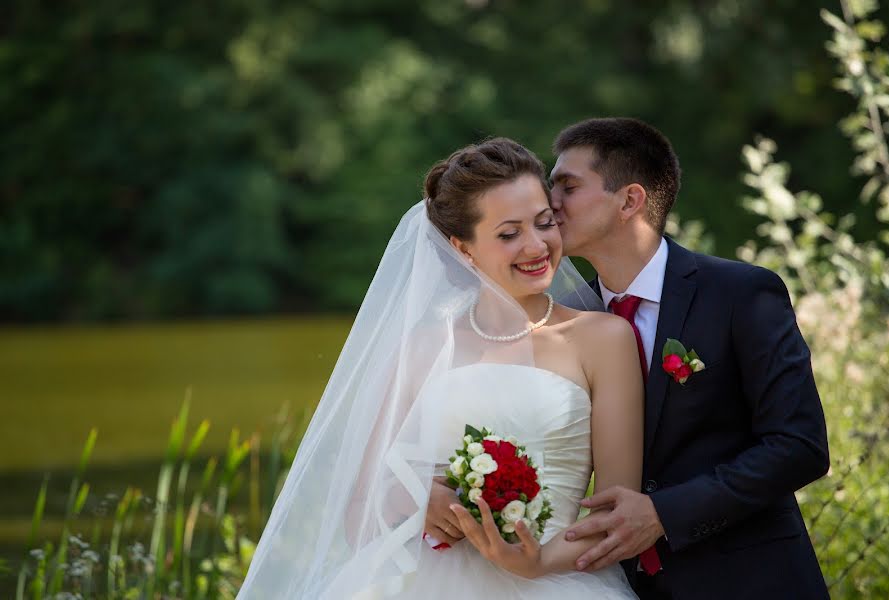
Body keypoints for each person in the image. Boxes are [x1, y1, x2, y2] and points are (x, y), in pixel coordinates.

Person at [237, 138, 645, 599]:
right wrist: (418, 499)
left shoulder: (605, 339)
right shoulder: (424, 346)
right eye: (509, 234)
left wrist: (536, 563)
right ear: (462, 247)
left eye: (544, 222)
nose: (536, 245)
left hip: (554, 580)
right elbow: (360, 509)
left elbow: (615, 513)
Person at [547, 117, 830, 599]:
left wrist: (663, 514)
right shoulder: (568, 321)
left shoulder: (742, 293)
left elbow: (799, 445)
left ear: (629, 200)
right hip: (623, 586)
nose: (549, 203)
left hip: (752, 581)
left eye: (567, 187)